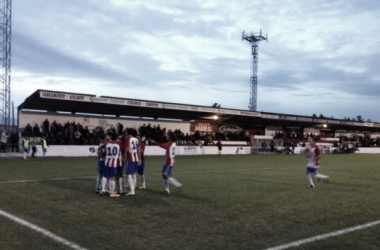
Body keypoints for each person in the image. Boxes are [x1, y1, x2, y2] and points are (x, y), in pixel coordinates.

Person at [101, 133, 122, 197]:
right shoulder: (118, 145)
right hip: (114, 163)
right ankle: (112, 192)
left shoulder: (107, 144)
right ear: (116, 138)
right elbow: (118, 155)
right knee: (112, 177)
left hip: (107, 162)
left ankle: (103, 190)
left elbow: (104, 152)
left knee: (105, 176)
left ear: (110, 137)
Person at [124, 129, 139, 196]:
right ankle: (133, 189)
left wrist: (124, 154)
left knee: (129, 174)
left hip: (130, 157)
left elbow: (127, 147)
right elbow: (138, 149)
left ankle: (132, 190)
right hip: (135, 157)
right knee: (134, 173)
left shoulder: (127, 138)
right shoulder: (136, 139)